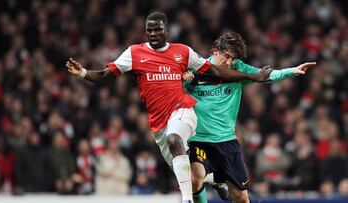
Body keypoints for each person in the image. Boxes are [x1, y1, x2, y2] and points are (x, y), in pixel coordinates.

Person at [65, 12, 271, 203]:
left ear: (166, 30)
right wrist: (83, 72)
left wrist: (251, 76)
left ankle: (186, 199)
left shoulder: (183, 51)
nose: (153, 34)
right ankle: (213, 179)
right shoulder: (134, 53)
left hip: (183, 110)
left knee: (175, 139)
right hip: (159, 123)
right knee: (186, 170)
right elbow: (104, 76)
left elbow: (215, 71)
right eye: (149, 30)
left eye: (157, 29)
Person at [183, 31, 316, 203]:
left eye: (233, 58)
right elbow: (176, 88)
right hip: (198, 139)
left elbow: (265, 76)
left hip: (226, 141)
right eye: (227, 56)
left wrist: (292, 71)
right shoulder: (197, 68)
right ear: (215, 50)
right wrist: (184, 81)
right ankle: (211, 180)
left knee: (241, 198)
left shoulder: (239, 69)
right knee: (195, 177)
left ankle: (215, 178)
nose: (229, 62)